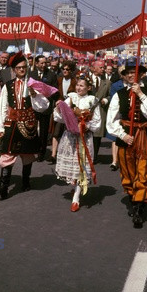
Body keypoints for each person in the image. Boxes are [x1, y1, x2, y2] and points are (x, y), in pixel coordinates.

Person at [106, 58, 147, 228]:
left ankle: (138, 208)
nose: (130, 76)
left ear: (141, 75)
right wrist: (122, 135)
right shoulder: (119, 94)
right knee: (127, 174)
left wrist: (141, 94)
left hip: (146, 138)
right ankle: (133, 198)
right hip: (126, 139)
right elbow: (111, 120)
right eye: (127, 73)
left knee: (143, 173)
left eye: (134, 73)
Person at [0, 52, 50, 200]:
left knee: (27, 154)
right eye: (18, 68)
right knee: (7, 153)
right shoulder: (8, 85)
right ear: (13, 69)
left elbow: (44, 106)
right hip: (12, 123)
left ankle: (25, 181)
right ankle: (4, 187)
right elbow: (2, 106)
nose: (22, 70)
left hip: (28, 123)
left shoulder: (34, 83)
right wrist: (0, 127)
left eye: (24, 67)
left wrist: (35, 95)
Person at [53, 74, 101, 211]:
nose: (79, 88)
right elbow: (60, 118)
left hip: (84, 138)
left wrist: (86, 126)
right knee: (73, 164)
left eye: (82, 85)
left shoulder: (93, 101)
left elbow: (97, 123)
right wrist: (58, 108)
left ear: (89, 88)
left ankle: (76, 198)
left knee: (81, 166)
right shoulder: (71, 98)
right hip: (70, 137)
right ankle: (75, 188)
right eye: (78, 85)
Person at [29, 54, 58, 162]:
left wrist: (47, 92)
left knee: (44, 131)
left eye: (45, 63)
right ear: (36, 64)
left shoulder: (51, 75)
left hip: (46, 107)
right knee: (32, 129)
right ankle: (33, 149)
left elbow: (55, 91)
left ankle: (42, 152)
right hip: (34, 106)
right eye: (41, 63)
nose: (43, 65)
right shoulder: (31, 74)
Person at [50, 61, 77, 163]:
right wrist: (57, 101)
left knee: (68, 132)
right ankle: (53, 155)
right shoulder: (59, 80)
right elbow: (54, 92)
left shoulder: (74, 81)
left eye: (67, 69)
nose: (65, 71)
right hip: (59, 108)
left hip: (69, 110)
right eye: (63, 69)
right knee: (56, 132)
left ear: (71, 71)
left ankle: (67, 154)